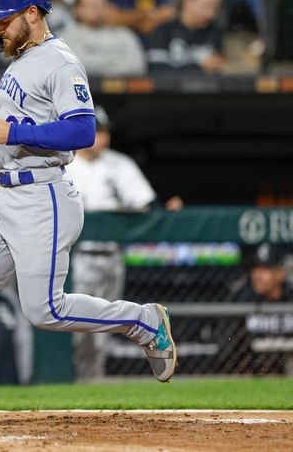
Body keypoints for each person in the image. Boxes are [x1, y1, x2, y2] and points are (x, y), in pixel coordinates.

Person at [0, 0, 177, 432]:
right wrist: (3, 154)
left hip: (42, 198)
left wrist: (15, 135)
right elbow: (30, 125)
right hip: (3, 195)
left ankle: (144, 322)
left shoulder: (60, 63)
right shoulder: (21, 60)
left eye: (4, 20)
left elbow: (82, 130)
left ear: (33, 13)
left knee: (44, 311)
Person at [65, 106, 181, 380]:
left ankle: (90, 389)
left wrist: (165, 209)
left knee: (102, 334)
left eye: (105, 132)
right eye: (97, 132)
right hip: (77, 258)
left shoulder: (119, 165)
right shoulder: (63, 163)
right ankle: (69, 384)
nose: (103, 138)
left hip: (111, 256)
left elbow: (145, 203)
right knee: (76, 330)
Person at [225, 243, 293, 375]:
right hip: (249, 372)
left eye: (265, 269)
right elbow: (228, 345)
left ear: (280, 273)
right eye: (255, 269)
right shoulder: (240, 299)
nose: (258, 275)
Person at [60, 0, 146, 76]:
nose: (96, 8)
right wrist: (114, 63)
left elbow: (137, 65)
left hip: (124, 88)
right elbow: (75, 67)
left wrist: (100, 67)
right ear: (77, 9)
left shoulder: (125, 35)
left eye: (101, 4)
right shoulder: (66, 38)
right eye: (91, 4)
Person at [147, 0, 225, 74]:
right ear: (187, 0)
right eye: (206, 6)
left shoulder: (214, 32)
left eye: (214, 7)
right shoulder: (163, 31)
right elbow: (157, 71)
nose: (211, 14)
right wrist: (199, 69)